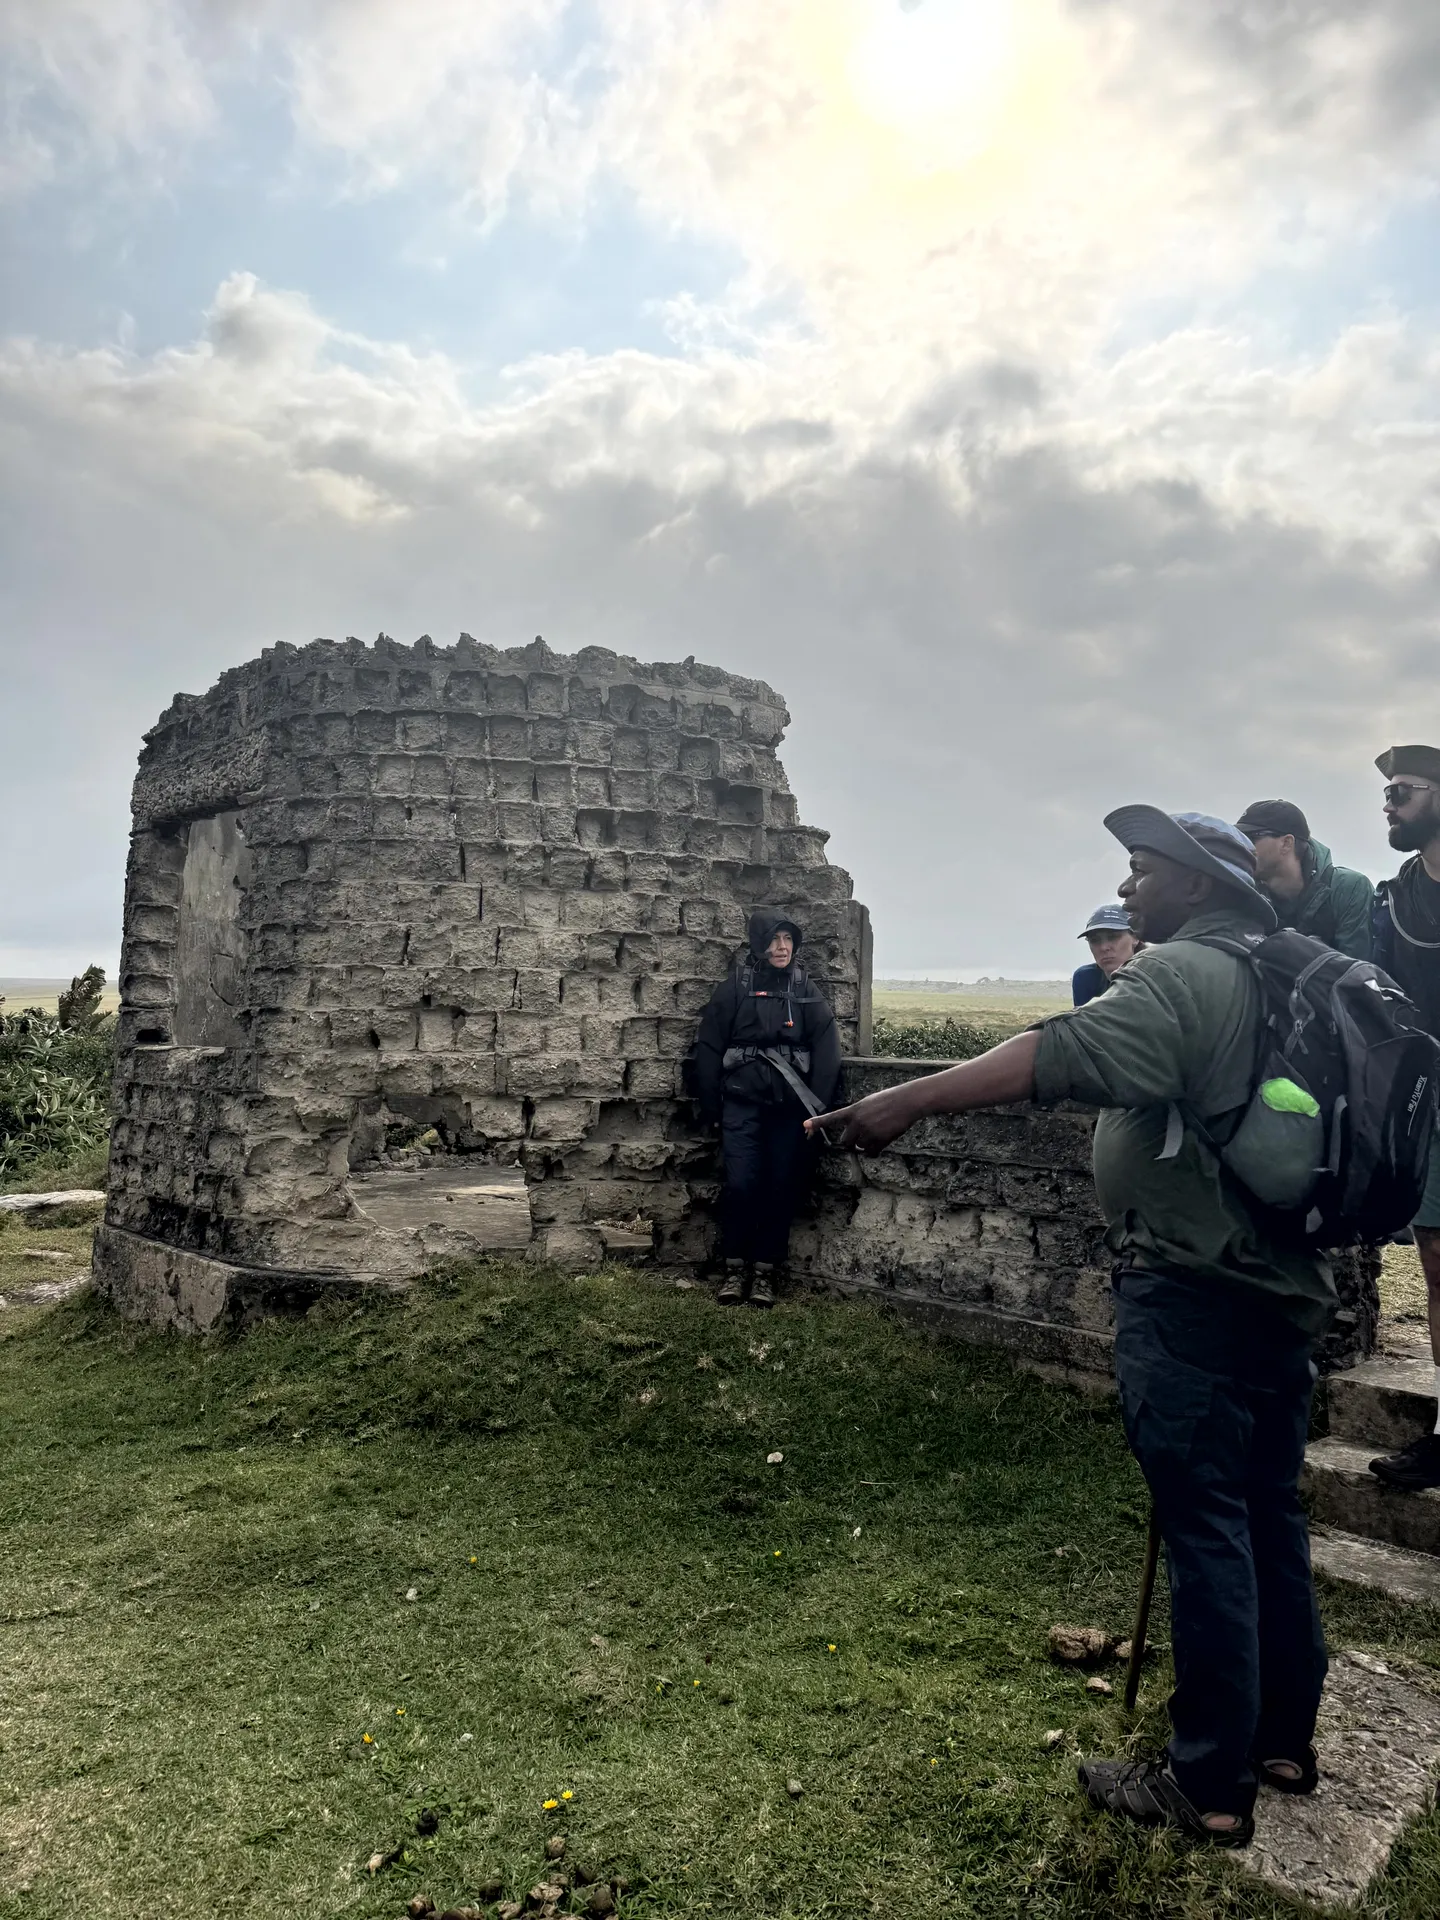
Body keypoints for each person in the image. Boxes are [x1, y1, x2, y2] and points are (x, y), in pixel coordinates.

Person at [809, 809, 1335, 1848]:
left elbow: (1061, 1052)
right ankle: (1281, 1739)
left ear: (1194, 884)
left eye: (1142, 873)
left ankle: (1210, 1787)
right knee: (1270, 1516)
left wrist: (903, 1103)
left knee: (1209, 1530)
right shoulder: (1286, 970)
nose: (1130, 895)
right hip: (1280, 1294)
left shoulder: (1188, 974)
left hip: (1193, 1293)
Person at [694, 910, 842, 1307]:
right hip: (741, 1105)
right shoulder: (735, 989)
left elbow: (828, 1048)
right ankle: (735, 1267)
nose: (782, 947)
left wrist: (819, 1109)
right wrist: (710, 1106)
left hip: (790, 1111)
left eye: (788, 940)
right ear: (760, 942)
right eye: (775, 940)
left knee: (780, 1186)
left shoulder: (804, 988)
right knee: (742, 1185)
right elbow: (708, 1046)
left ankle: (764, 1272)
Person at [1368, 746, 1440, 1490]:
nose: (1389, 804)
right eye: (1385, 793)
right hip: (1428, 1105)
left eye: (1404, 791)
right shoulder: (1392, 900)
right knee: (1438, 1269)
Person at [1233, 800, 1371, 959]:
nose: (1242, 846)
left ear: (1286, 843)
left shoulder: (1349, 889)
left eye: (1250, 838)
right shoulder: (1244, 893)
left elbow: (1360, 972)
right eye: (1239, 838)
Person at [1072, 903, 1141, 1006]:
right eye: (1094, 940)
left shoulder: (1157, 977)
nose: (1104, 947)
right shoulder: (1087, 979)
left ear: (1135, 937)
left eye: (1113, 937)